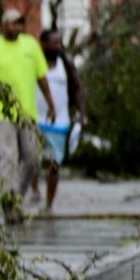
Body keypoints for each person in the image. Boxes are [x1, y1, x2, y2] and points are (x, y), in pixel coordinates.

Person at [0, 7, 53, 215]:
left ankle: (15, 196)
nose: (16, 27)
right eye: (12, 23)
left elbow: (41, 77)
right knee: (9, 157)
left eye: (19, 23)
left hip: (27, 113)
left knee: (33, 158)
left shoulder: (31, 46)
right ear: (3, 25)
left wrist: (50, 103)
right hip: (2, 113)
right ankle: (8, 204)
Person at [35, 27, 83, 214]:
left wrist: (81, 113)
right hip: (35, 119)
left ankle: (49, 204)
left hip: (59, 122)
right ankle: (33, 190)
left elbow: (77, 88)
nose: (58, 46)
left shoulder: (65, 64)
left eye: (59, 42)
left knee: (53, 164)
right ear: (43, 43)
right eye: (54, 42)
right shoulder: (34, 62)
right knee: (32, 160)